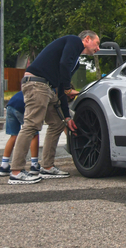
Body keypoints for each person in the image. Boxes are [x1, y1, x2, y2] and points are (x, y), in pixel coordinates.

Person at [8, 30, 100, 184]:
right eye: (97, 43)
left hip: (49, 87)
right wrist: (67, 88)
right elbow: (64, 74)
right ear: (87, 39)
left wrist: (67, 116)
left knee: (57, 124)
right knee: (31, 125)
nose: (98, 48)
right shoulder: (73, 41)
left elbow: (62, 90)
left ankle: (47, 167)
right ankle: (16, 171)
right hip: (37, 84)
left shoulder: (75, 60)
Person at [0, 91, 40, 176]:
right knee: (34, 133)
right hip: (22, 107)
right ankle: (34, 164)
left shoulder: (31, 85)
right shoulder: (50, 89)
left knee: (14, 135)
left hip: (10, 105)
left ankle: (4, 165)